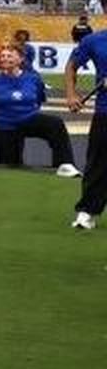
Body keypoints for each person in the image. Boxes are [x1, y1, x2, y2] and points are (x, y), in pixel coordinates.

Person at [0, 45, 78, 175]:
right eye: (2, 56)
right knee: (9, 168)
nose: (5, 59)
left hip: (28, 119)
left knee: (55, 124)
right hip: (5, 126)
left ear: (20, 59)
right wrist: (4, 117)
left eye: (9, 56)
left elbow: (38, 100)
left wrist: (25, 113)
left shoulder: (33, 79)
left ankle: (64, 165)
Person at [66, 20, 107, 229]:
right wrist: (72, 94)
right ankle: (87, 211)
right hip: (104, 112)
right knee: (97, 164)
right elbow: (72, 65)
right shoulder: (94, 40)